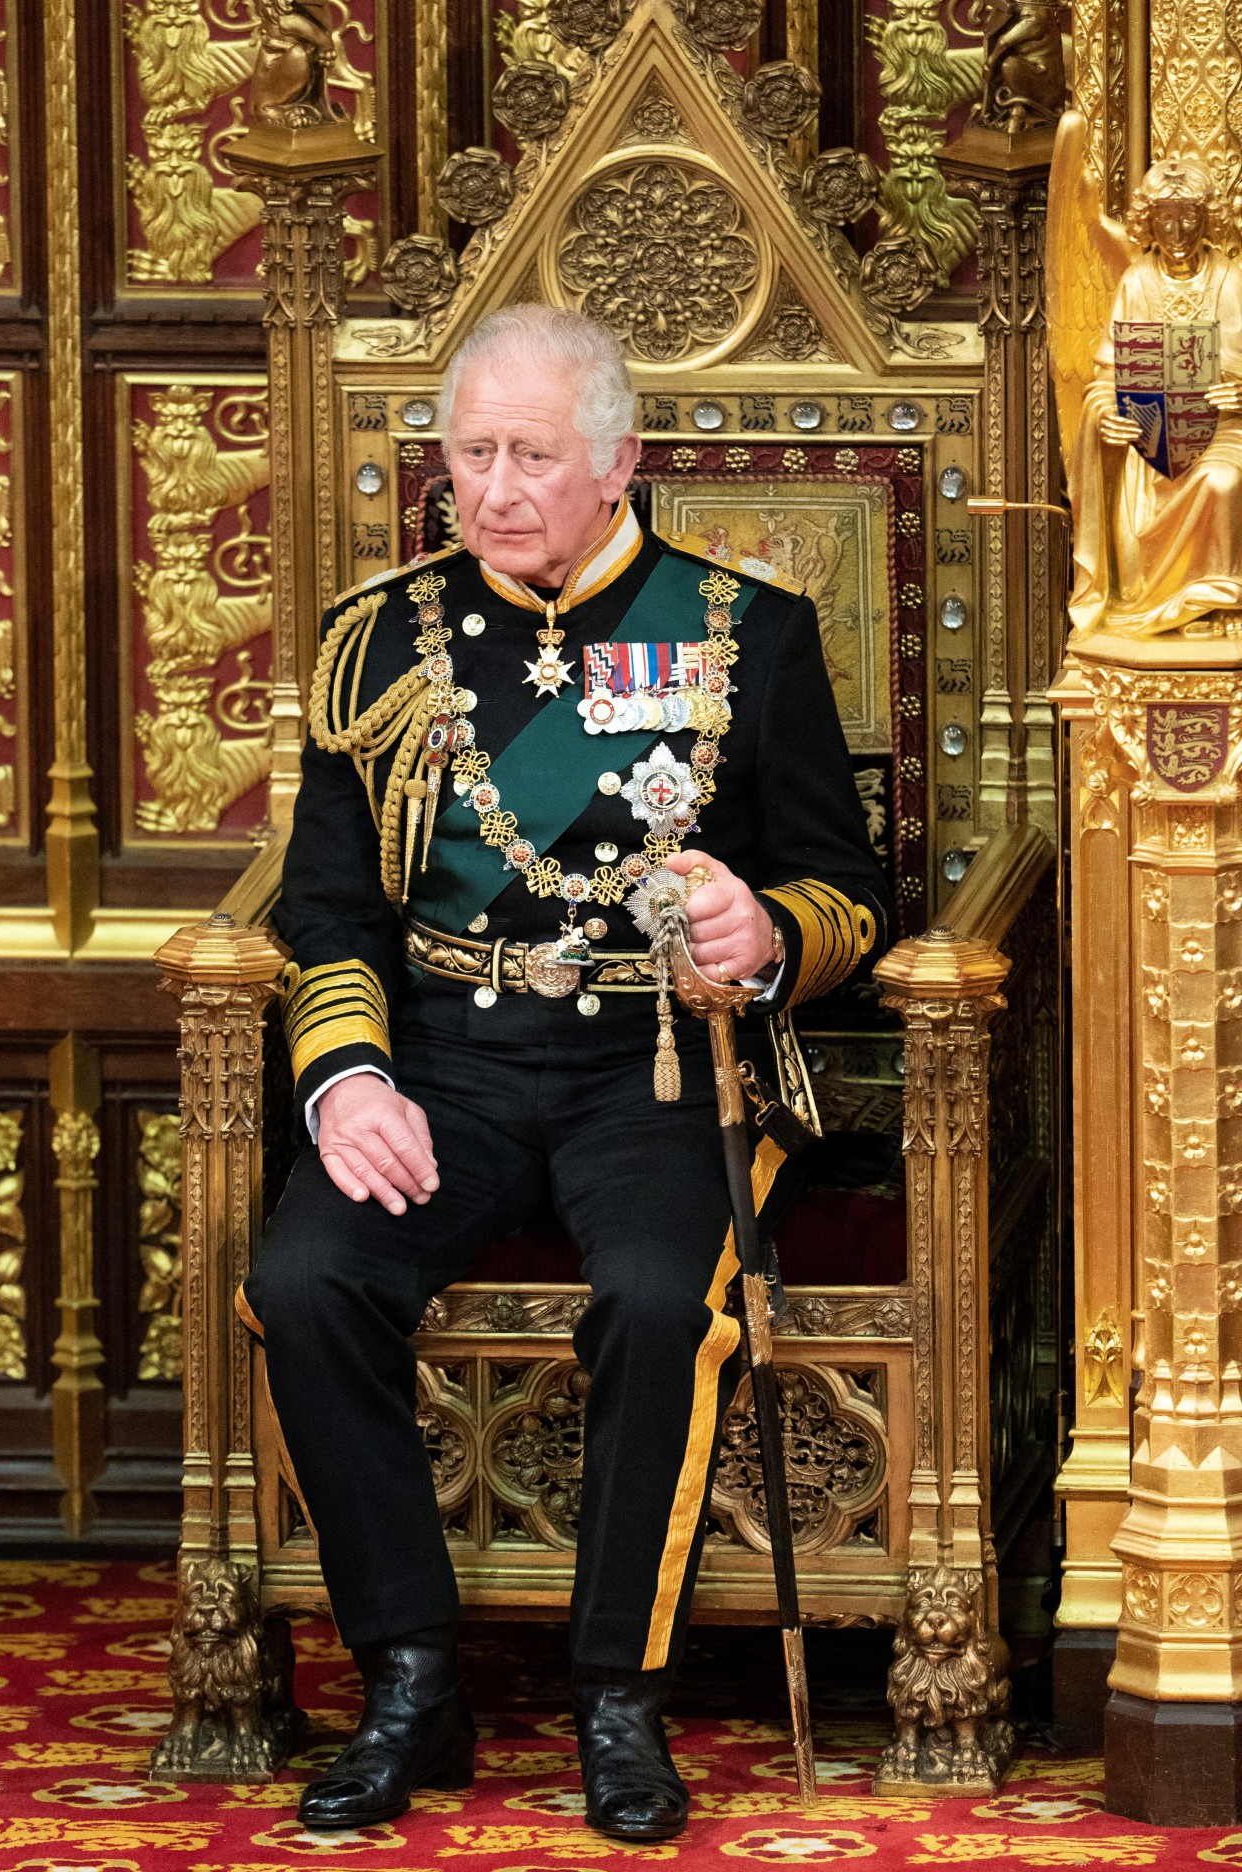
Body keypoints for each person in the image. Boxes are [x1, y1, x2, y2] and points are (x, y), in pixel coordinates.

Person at [241, 304, 888, 1841]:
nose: (496, 488)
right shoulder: (377, 643)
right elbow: (326, 908)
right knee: (309, 1274)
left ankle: (619, 1694)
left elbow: (848, 891)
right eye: (471, 453)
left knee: (661, 1297)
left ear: (619, 462)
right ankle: (410, 1679)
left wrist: (765, 928)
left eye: (532, 454)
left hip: (655, 1064)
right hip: (440, 1065)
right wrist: (347, 1082)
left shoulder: (745, 629)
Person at [1068, 157, 1242, 636]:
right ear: (1149, 221)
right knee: (1140, 493)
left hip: (1226, 431)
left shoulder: (1231, 280)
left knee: (1222, 482)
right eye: (1165, 216)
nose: (1178, 230)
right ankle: (1161, 602)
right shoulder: (1137, 281)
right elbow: (1107, 378)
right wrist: (1107, 415)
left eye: (1189, 215)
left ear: (1208, 218)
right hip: (1154, 437)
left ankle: (1219, 601)